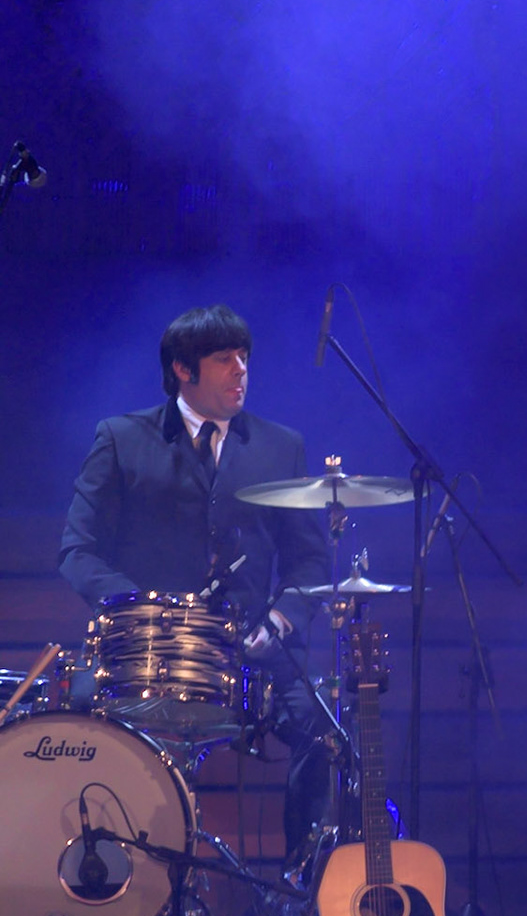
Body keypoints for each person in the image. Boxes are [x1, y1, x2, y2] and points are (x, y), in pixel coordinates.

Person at [60, 304, 333, 876]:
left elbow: (311, 562)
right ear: (184, 370)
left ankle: (305, 896)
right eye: (224, 359)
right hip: (144, 650)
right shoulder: (120, 438)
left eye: (245, 358)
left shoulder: (281, 448)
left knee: (321, 729)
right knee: (75, 720)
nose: (241, 370)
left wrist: (280, 621)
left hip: (250, 651)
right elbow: (78, 552)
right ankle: (99, 889)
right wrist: (142, 612)